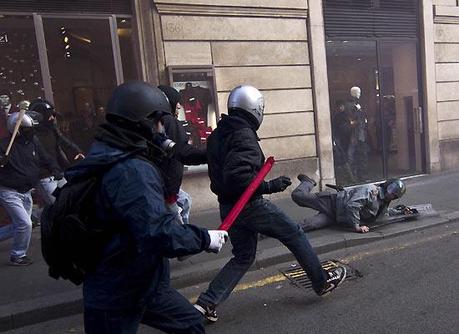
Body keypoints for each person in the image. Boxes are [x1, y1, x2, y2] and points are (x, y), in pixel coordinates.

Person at [64, 81, 227, 334]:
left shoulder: (107, 152)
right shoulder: (132, 170)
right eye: (159, 122)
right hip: (118, 289)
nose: (162, 130)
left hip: (139, 281)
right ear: (143, 122)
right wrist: (205, 238)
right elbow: (156, 231)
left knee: (190, 324)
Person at [194, 85, 347, 323]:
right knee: (294, 233)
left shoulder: (220, 132)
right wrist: (271, 185)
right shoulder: (243, 134)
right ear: (254, 108)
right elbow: (237, 177)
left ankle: (207, 302)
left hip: (229, 207)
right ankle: (321, 281)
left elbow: (211, 161)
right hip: (248, 205)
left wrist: (173, 150)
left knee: (244, 256)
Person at [0, 111, 60, 266]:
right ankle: (17, 256)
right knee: (25, 224)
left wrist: (54, 168)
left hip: (26, 190)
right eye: (27, 129)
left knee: (20, 225)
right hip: (9, 191)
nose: (31, 132)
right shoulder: (3, 146)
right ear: (17, 130)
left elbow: (45, 157)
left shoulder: (33, 141)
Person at [157, 85, 207, 225]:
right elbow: (183, 152)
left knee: (185, 201)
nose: (179, 106)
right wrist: (212, 154)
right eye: (176, 102)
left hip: (163, 188)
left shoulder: (155, 121)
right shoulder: (168, 121)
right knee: (177, 227)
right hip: (166, 190)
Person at [291, 174, 406, 233]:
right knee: (298, 196)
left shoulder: (383, 203)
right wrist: (356, 227)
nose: (392, 195)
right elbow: (352, 205)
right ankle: (308, 182)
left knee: (308, 225)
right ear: (387, 185)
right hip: (332, 203)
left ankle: (280, 228)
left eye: (395, 195)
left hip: (336, 217)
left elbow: (384, 214)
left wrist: (400, 211)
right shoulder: (371, 191)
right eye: (392, 190)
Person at [29, 99, 85, 206]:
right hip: (44, 175)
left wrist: (77, 150)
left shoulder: (51, 129)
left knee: (70, 202)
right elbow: (41, 156)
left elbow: (64, 140)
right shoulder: (31, 135)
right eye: (49, 115)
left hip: (58, 172)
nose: (52, 118)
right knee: (58, 206)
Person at [345, 86, 369, 181]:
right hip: (355, 134)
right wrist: (359, 112)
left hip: (360, 134)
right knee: (353, 156)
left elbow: (361, 119)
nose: (359, 94)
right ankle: (354, 176)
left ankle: (360, 176)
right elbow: (355, 120)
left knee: (361, 155)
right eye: (358, 92)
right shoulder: (350, 105)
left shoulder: (357, 104)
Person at [331, 100, 354, 183]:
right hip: (339, 140)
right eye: (339, 106)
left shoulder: (347, 115)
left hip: (346, 139)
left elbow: (351, 126)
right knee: (343, 159)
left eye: (342, 106)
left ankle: (350, 177)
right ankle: (349, 178)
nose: (340, 108)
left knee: (346, 158)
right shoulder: (337, 116)